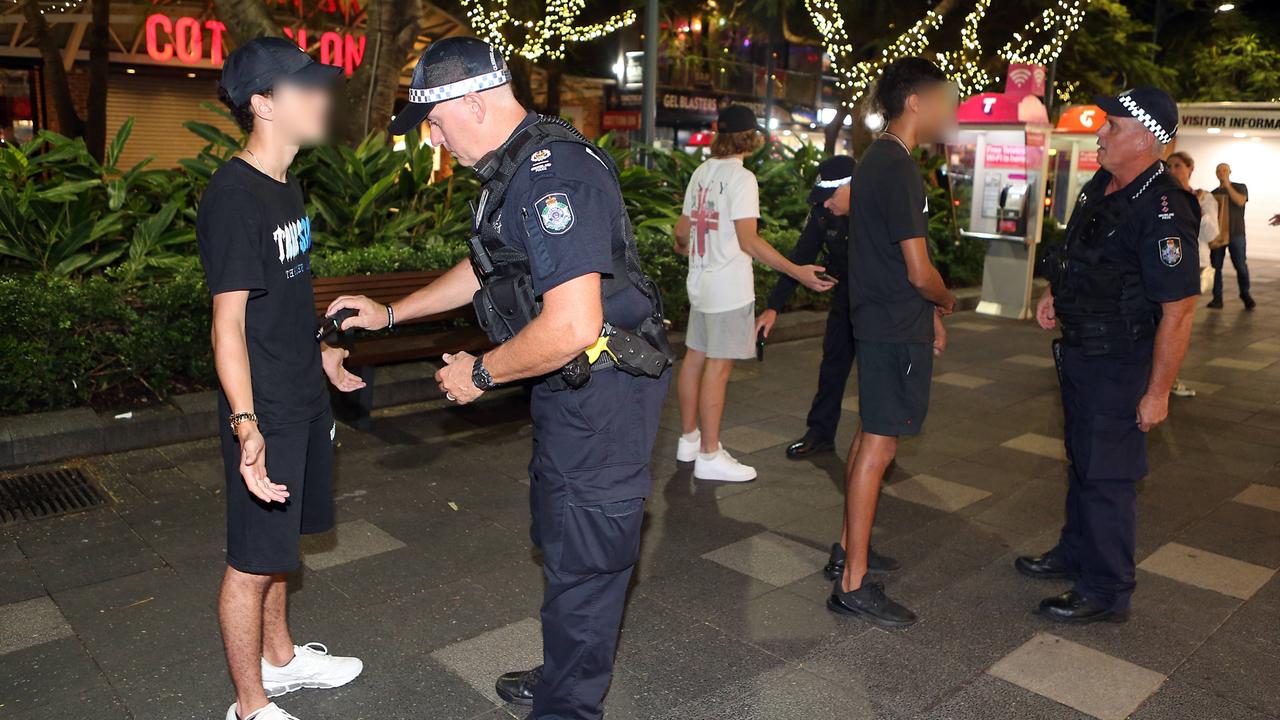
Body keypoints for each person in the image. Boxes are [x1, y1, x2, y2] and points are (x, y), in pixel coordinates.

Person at [325, 37, 672, 720]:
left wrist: (481, 372)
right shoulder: (516, 168)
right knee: (562, 538)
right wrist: (391, 312)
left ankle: (567, 707)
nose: (434, 137)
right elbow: (490, 266)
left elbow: (572, 325)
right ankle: (564, 674)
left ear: (474, 102)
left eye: (436, 120)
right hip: (568, 387)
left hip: (603, 397)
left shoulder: (552, 177)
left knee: (588, 559)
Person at [198, 37, 367, 720]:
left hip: (300, 389)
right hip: (262, 406)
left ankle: (282, 658)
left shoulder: (284, 182)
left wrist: (321, 351)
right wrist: (246, 426)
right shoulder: (234, 197)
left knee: (280, 548)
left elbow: (282, 294)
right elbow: (227, 325)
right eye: (306, 87)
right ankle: (248, 706)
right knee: (250, 559)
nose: (322, 97)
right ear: (264, 104)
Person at [1019, 86, 1199, 624]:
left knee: (1108, 476)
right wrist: (1056, 292)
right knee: (1082, 462)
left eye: (1112, 126)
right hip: (1081, 352)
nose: (1100, 133)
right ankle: (1076, 553)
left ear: (1146, 139)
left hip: (1121, 362)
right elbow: (1081, 253)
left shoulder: (1165, 207)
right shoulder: (1101, 186)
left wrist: (1158, 391)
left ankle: (1106, 588)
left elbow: (1179, 309)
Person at [827, 57, 956, 629]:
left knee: (867, 436)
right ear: (916, 102)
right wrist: (945, 301)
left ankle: (846, 548)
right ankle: (853, 583)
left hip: (882, 320)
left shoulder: (875, 160)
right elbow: (918, 269)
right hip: (890, 326)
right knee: (879, 447)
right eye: (946, 100)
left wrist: (928, 313)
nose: (950, 112)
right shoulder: (899, 168)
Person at [673, 105, 833, 482]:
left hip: (699, 284)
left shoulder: (701, 173)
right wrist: (796, 271)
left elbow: (682, 234)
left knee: (694, 359)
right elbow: (749, 241)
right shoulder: (742, 180)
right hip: (728, 289)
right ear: (751, 138)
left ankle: (689, 440)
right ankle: (710, 455)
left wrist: (695, 249)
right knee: (718, 367)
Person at [755, 155, 857, 459]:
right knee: (832, 366)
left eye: (831, 198)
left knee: (879, 378)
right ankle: (820, 434)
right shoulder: (823, 214)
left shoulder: (881, 211)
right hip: (845, 299)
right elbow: (800, 259)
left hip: (880, 306)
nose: (825, 205)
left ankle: (878, 448)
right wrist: (773, 307)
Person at [1166, 151, 1219, 398]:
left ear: (1190, 168)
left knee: (1178, 324)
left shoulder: (1204, 198)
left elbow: (1210, 234)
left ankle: (1170, 379)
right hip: (1166, 263)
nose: (1173, 169)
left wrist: (1194, 206)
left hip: (1193, 264)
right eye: (1169, 166)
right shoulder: (1163, 196)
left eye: (1178, 165)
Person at [1209, 162, 1254, 310]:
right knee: (1215, 267)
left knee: (1241, 266)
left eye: (1224, 170)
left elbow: (1240, 202)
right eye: (1219, 170)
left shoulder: (1240, 187)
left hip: (1236, 234)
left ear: (1230, 172)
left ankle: (1245, 294)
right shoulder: (1213, 193)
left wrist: (1227, 185)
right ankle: (1217, 298)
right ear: (1216, 174)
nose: (1221, 172)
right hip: (1218, 236)